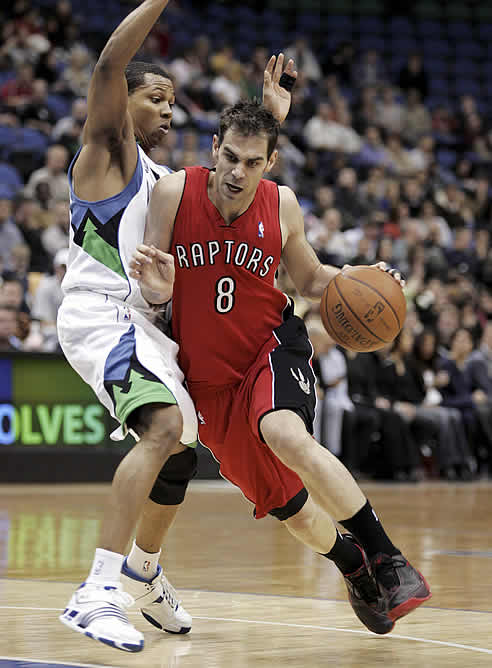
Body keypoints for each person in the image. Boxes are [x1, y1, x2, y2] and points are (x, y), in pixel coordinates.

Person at [131, 100, 431, 638]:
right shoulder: (174, 193)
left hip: (270, 347)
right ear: (213, 151)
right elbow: (154, 288)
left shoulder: (281, 204)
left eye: (251, 162)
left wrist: (360, 277)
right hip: (208, 383)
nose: (236, 172)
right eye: (229, 157)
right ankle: (353, 564)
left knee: (283, 432)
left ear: (269, 163)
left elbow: (312, 279)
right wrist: (159, 293)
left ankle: (388, 559)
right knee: (291, 508)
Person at [56, 0, 296, 653]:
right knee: (163, 427)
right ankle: (95, 593)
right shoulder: (107, 153)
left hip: (145, 322)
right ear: (122, 103)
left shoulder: (167, 181)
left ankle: (142, 571)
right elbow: (109, 62)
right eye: (155, 97)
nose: (168, 110)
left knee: (181, 449)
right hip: (99, 311)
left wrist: (271, 115)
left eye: (172, 102)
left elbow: (231, 177)